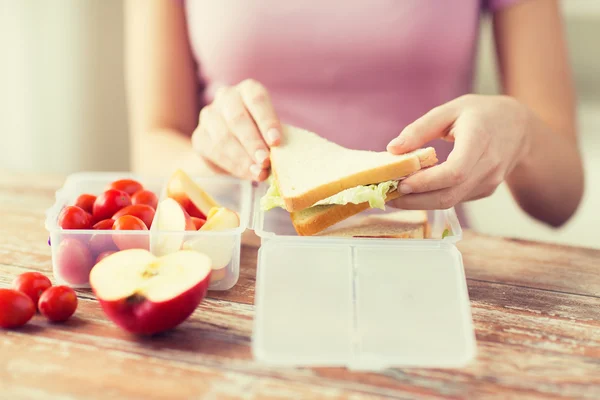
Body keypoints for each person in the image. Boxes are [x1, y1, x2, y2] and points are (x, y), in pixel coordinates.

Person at [124, 0, 584, 228]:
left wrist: (520, 131)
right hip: (239, 268)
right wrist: (212, 158)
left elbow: (562, 200)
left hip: (426, 266)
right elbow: (154, 144)